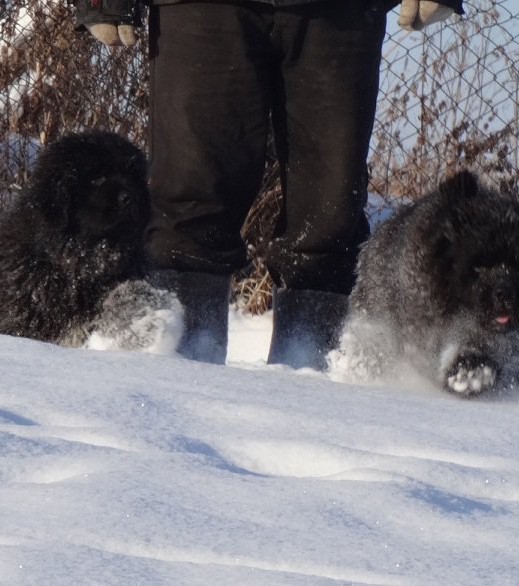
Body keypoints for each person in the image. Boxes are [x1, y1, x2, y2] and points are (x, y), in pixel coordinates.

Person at [74, 0, 464, 369]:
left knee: (329, 215)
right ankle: (181, 369)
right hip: (204, 11)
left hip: (339, 13)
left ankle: (309, 377)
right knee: (187, 205)